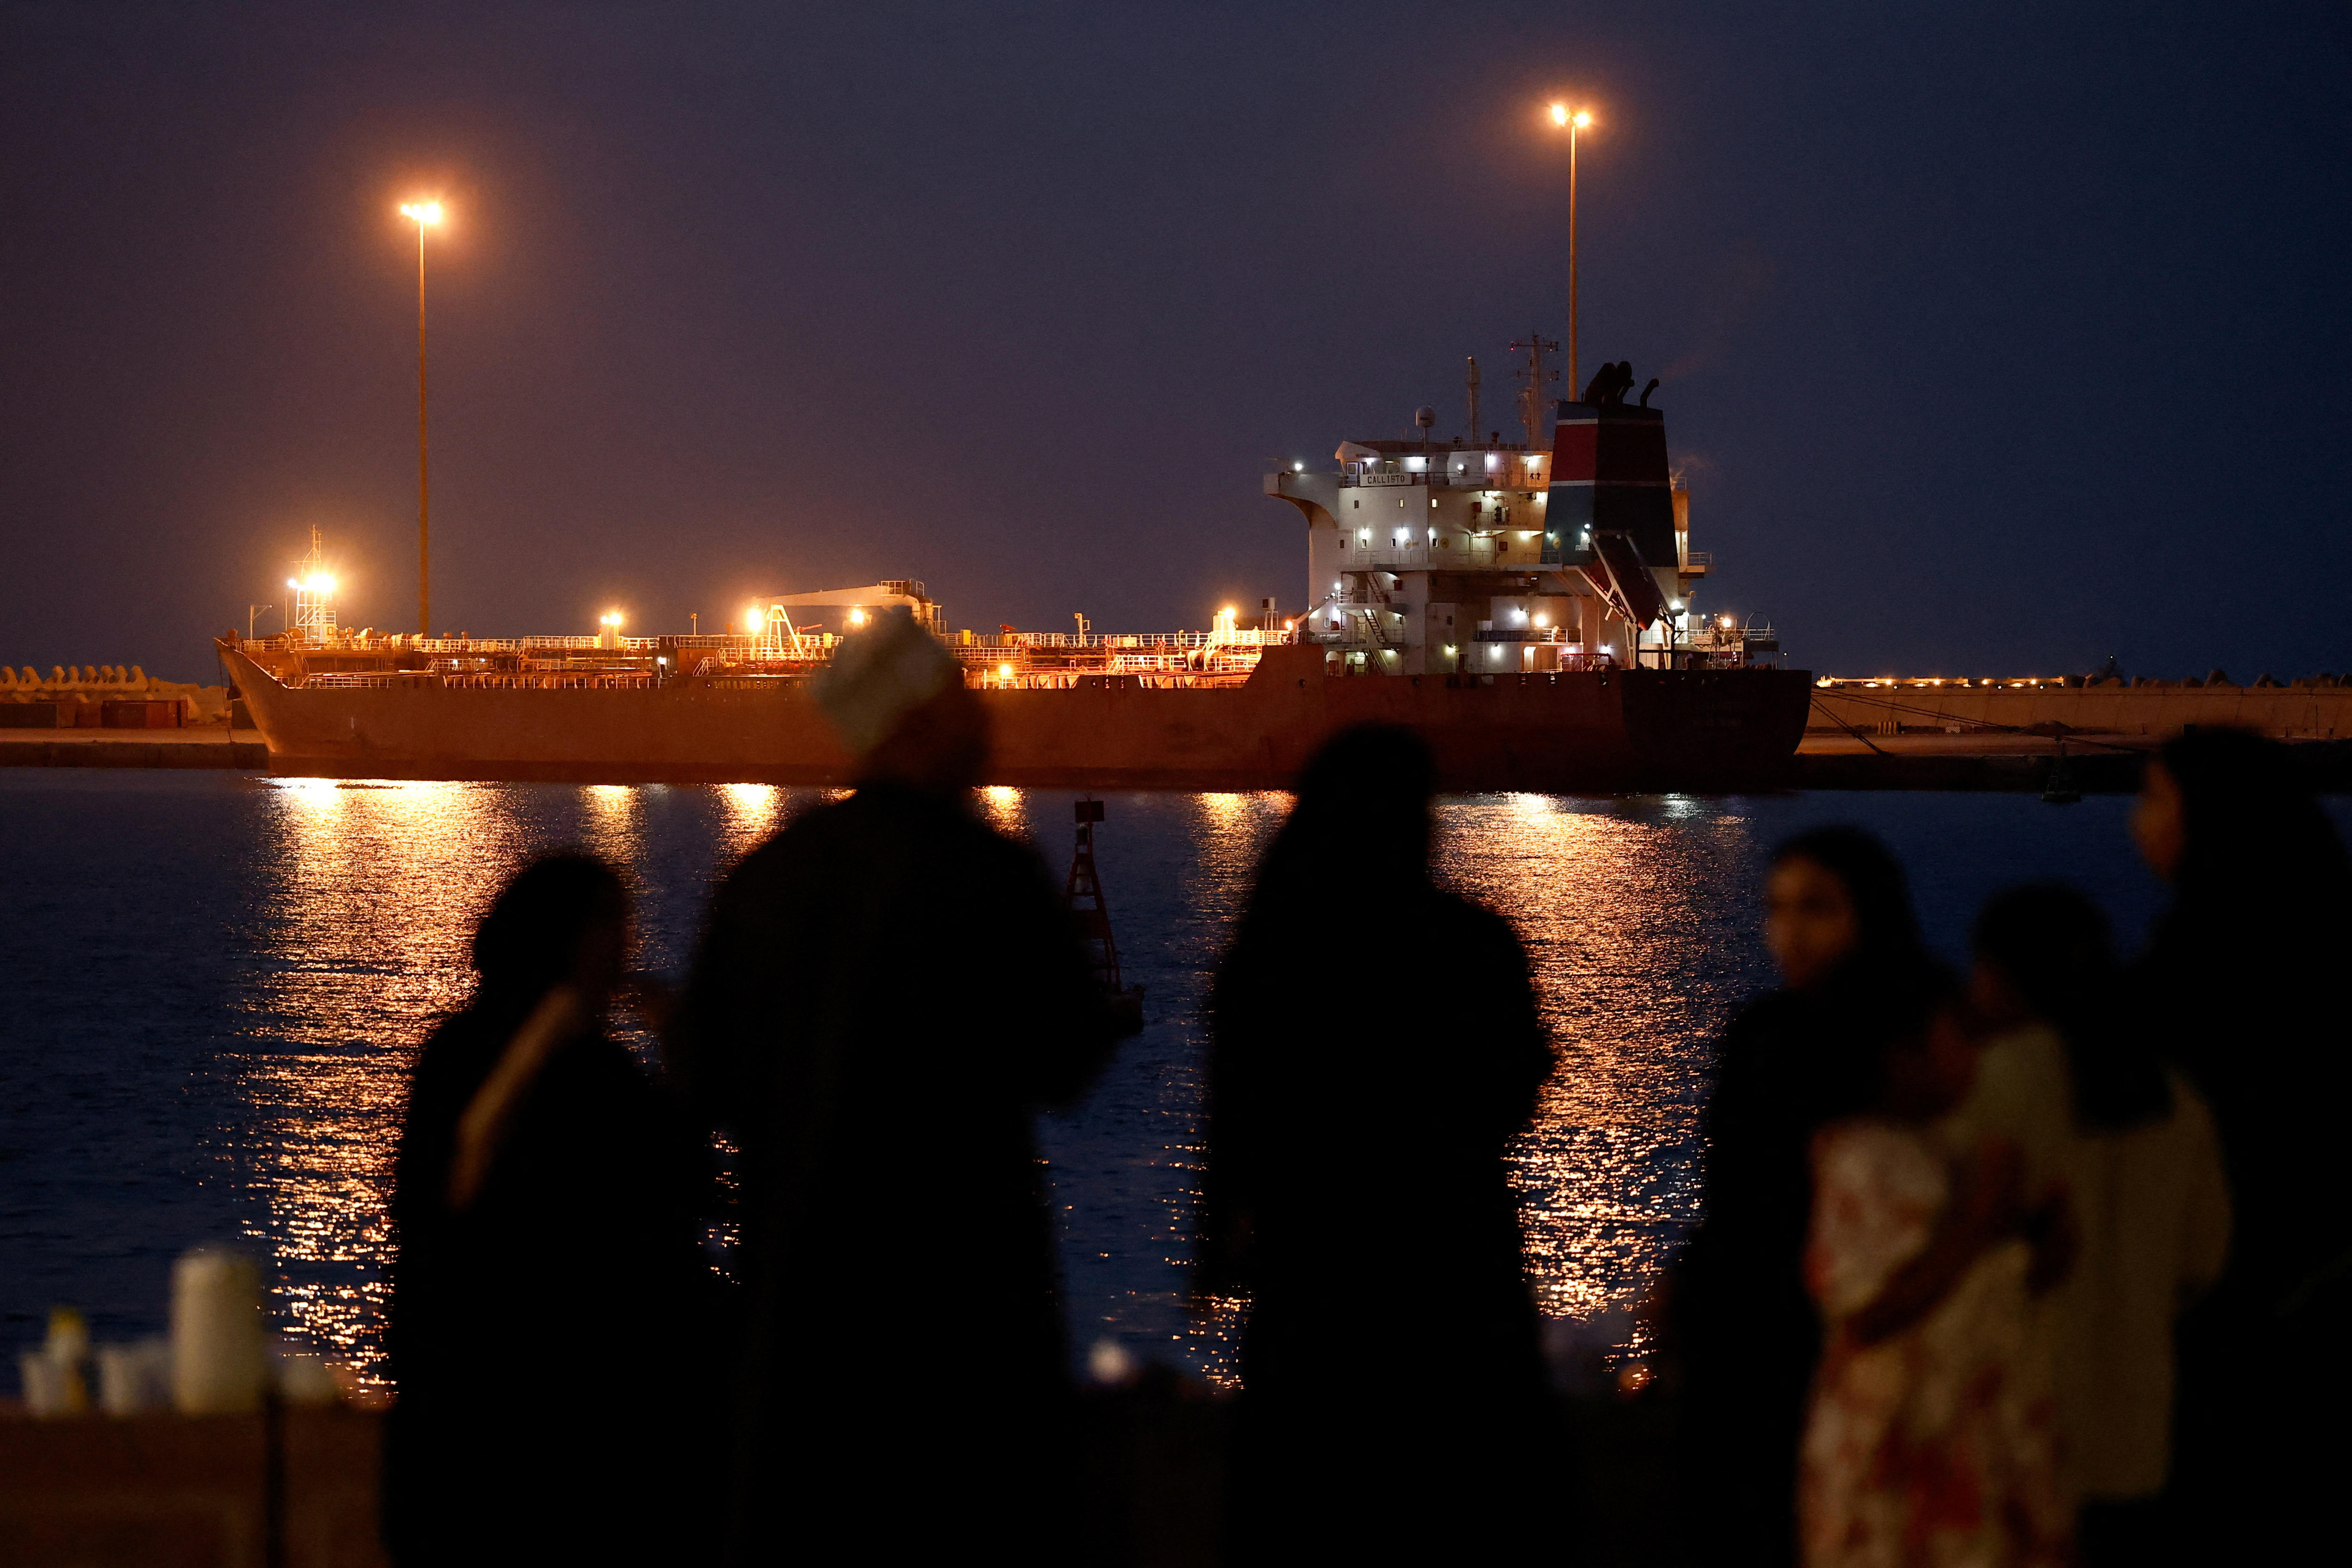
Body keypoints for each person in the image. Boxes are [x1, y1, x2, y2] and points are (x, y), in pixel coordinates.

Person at [669, 607, 1117, 1565]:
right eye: (961, 699)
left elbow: (695, 1084)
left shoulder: (765, 881)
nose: (985, 715)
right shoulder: (992, 877)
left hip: (804, 1329)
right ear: (915, 721)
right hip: (970, 1336)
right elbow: (1071, 1056)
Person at [1195, 724, 1560, 1561]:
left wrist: (1218, 1244)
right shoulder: (1471, 940)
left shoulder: (1271, 951)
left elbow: (1236, 1114)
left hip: (1314, 1278)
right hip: (1457, 1266)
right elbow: (1521, 1083)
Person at [382, 852, 719, 1566]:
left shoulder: (472, 1052)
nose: (624, 946)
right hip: (535, 1420)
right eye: (608, 924)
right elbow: (682, 1189)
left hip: (478, 1419)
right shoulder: (572, 1071)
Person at [1666, 826, 1939, 1568]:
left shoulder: (1920, 1037)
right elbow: (1733, 1195)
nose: (1789, 931)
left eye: (1816, 907)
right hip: (1760, 1323)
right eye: (1776, 907)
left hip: (1861, 1327)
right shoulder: (1760, 1032)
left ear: (1869, 911)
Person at [2127, 729, 2352, 1557]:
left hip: (2230, 1316)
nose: (2136, 825)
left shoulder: (2194, 967)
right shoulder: (2320, 935)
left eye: (2154, 801)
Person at [1969, 885, 2229, 1566]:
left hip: (2024, 1422)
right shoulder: (2175, 1096)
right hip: (2139, 1430)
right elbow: (2205, 1256)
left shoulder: (2003, 1079)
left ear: (2000, 976)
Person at [1798, 983, 2071, 1568]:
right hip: (1898, 1441)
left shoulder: (1949, 1150)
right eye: (1958, 1040)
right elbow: (1867, 1313)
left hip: (1964, 1434)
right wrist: (1977, 1223)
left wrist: (2045, 1225)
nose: (1973, 1057)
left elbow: (2014, 1282)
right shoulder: (1860, 1158)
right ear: (1904, 1055)